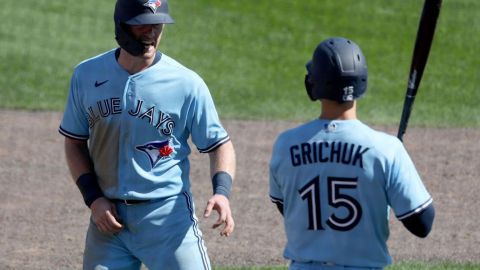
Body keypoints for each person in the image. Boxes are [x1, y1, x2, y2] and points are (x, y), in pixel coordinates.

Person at [58, 0, 236, 269]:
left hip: (169, 222)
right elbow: (74, 143)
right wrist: (94, 199)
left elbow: (220, 145)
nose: (151, 32)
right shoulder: (86, 75)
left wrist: (222, 192)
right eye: (142, 25)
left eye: (157, 24)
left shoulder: (186, 83)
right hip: (108, 223)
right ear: (122, 26)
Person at [269, 37, 435, 270]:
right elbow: (422, 223)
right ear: (362, 83)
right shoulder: (386, 149)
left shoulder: (286, 145)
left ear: (313, 84)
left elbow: (287, 207)